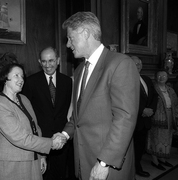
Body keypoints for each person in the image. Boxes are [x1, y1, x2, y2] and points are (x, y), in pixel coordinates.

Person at [57, 12, 140, 180]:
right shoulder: (80, 70)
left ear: (85, 33)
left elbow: (125, 118)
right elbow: (78, 116)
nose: (67, 44)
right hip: (83, 160)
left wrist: (104, 162)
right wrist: (64, 135)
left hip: (107, 166)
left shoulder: (120, 64)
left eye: (71, 38)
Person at [0, 63, 66, 180]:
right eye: (16, 75)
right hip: (10, 165)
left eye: (22, 76)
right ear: (5, 79)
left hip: (32, 159)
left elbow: (36, 128)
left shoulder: (24, 99)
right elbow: (20, 138)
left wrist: (41, 156)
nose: (21, 79)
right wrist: (51, 143)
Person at [22, 47, 73, 180]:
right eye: (43, 61)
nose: (47, 65)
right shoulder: (31, 81)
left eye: (51, 61)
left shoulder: (67, 82)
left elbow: (69, 108)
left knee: (60, 174)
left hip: (61, 137)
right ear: (39, 62)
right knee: (40, 174)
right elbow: (26, 111)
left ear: (58, 61)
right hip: (40, 138)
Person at [131, 56, 158, 178]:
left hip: (145, 121)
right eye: (135, 63)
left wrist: (151, 110)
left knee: (140, 147)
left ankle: (137, 166)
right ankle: (132, 169)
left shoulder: (146, 79)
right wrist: (142, 110)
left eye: (140, 63)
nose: (138, 65)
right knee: (130, 148)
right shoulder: (125, 80)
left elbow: (154, 96)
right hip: (133, 120)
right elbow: (127, 100)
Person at [147, 70, 178, 171]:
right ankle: (154, 160)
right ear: (156, 77)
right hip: (157, 118)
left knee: (166, 139)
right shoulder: (153, 89)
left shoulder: (170, 90)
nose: (162, 77)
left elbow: (175, 104)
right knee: (155, 138)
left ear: (167, 77)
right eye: (159, 75)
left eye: (164, 75)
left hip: (169, 116)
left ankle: (162, 158)